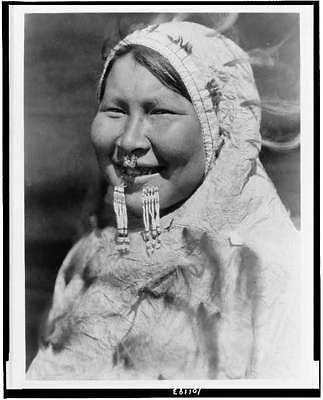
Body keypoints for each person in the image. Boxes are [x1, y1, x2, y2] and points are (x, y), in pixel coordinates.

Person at [27, 21, 300, 380]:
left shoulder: (277, 278)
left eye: (160, 112)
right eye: (115, 110)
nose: (128, 141)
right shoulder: (87, 259)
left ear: (219, 129)